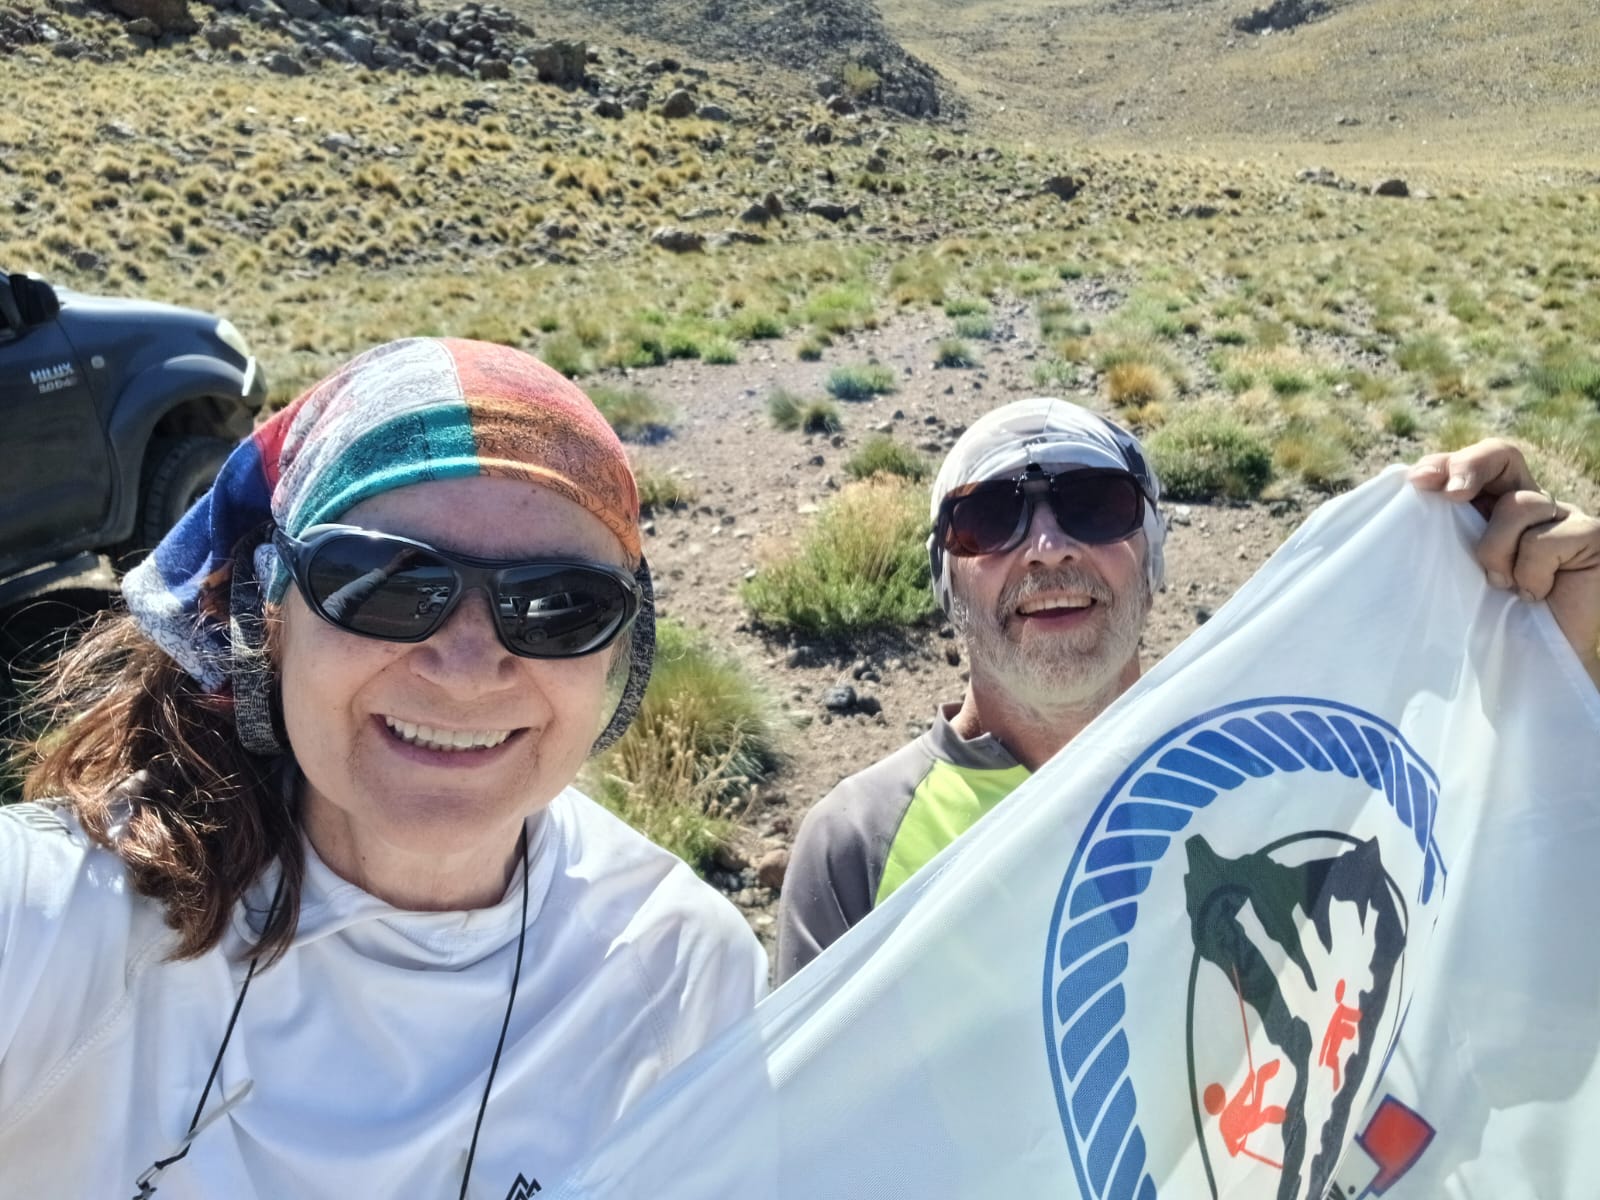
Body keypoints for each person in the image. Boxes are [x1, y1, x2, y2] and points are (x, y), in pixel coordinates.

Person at [0, 338, 766, 1198]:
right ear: (270, 617)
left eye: (558, 606)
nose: (467, 671)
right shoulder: (53, 923)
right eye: (385, 585)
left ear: (618, 649)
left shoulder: (680, 970)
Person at [776, 396, 1600, 983]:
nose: (1048, 547)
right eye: (989, 519)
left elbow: (1501, 930)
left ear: (1155, 557)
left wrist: (1564, 657)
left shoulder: (1289, 777)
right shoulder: (860, 846)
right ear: (944, 581)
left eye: (1096, 505)